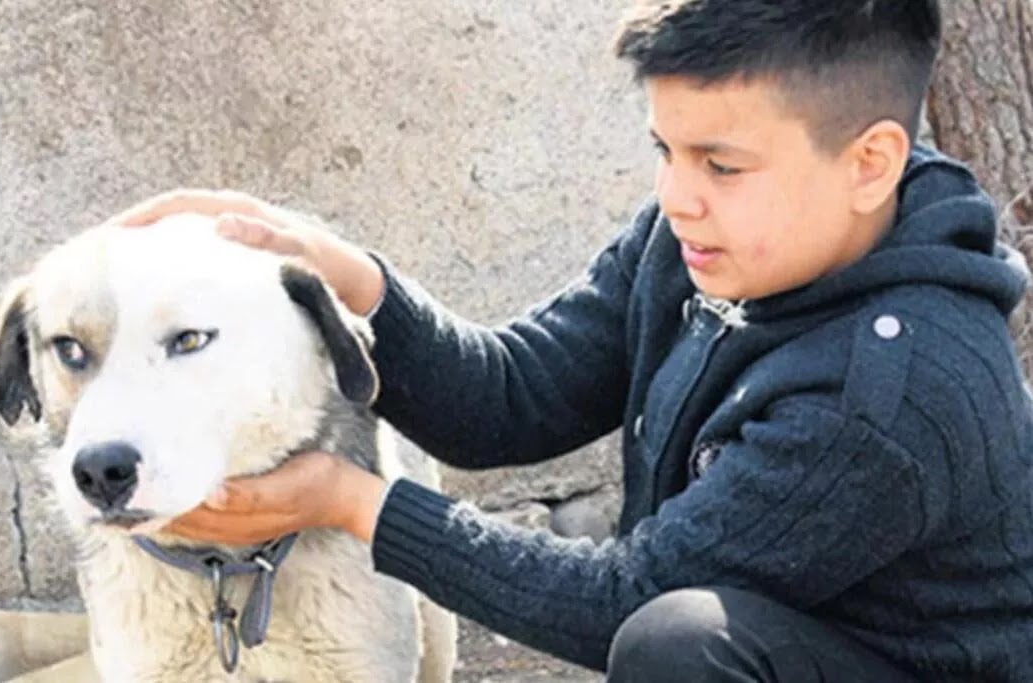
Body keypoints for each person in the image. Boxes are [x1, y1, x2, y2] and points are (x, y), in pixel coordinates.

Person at [108, 0, 1033, 680]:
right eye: (665, 150)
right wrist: (352, 277)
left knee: (678, 647)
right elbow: (512, 400)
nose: (678, 194)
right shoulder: (704, 244)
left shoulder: (888, 387)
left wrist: (354, 502)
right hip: (797, 646)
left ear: (868, 161)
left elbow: (624, 601)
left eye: (721, 163)